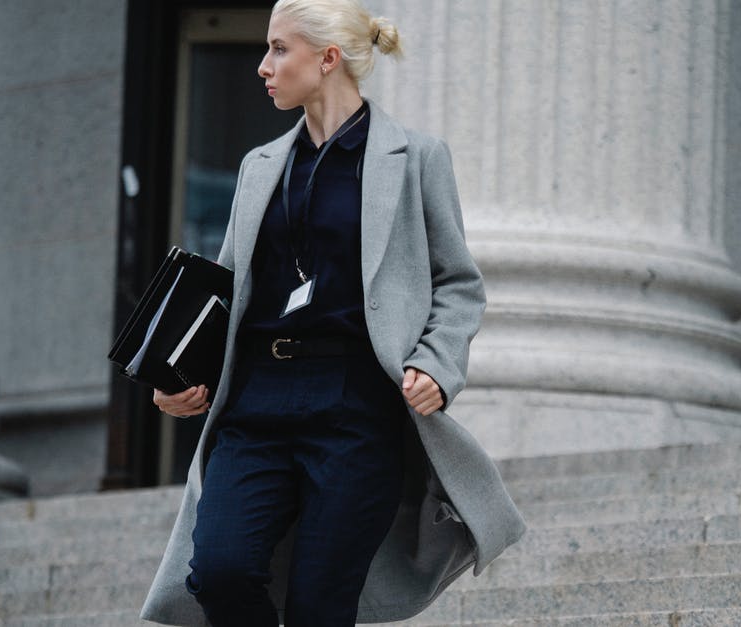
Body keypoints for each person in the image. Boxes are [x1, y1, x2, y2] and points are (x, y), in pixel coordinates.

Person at [138, 1, 525, 625]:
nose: (263, 67)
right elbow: (225, 289)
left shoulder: (416, 157)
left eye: (278, 49)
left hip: (356, 410)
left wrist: (437, 363)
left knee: (322, 604)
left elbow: (458, 282)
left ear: (327, 58)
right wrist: (177, 377)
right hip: (256, 403)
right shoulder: (259, 165)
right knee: (220, 573)